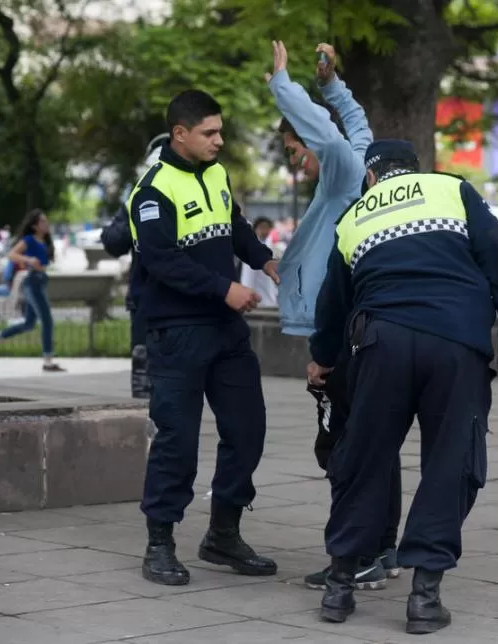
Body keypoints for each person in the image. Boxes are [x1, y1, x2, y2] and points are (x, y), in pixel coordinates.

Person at [307, 139, 498, 634]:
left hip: (380, 342)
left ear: (371, 177)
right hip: (454, 340)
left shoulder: (354, 216)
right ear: (415, 170)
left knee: (364, 457)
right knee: (450, 461)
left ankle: (340, 587)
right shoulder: (451, 190)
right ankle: (424, 598)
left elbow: (333, 304)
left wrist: (322, 361)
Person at [127, 89, 281, 586]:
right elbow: (162, 260)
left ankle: (223, 534)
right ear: (180, 134)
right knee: (178, 440)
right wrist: (224, 289)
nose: (220, 140)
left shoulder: (216, 174)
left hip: (224, 331)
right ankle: (160, 543)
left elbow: (233, 226)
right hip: (178, 331)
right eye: (210, 133)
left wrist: (264, 259)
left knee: (248, 429)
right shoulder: (151, 192)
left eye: (220, 130)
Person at [264, 40, 399, 589]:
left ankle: (355, 553)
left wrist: (284, 84)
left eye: (296, 152)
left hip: (343, 334)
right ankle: (381, 547)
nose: (298, 163)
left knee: (343, 447)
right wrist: (332, 83)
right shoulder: (356, 161)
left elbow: (329, 130)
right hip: (358, 325)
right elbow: (355, 120)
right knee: (371, 441)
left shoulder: (343, 168)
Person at [101, 133, 168, 398]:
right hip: (147, 302)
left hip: (185, 303)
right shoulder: (139, 199)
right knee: (145, 377)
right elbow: (114, 241)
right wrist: (135, 206)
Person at [0, 209, 65, 372]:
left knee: (28, 324)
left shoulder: (45, 242)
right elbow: (11, 254)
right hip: (31, 282)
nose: (46, 224)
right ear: (34, 226)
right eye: (42, 222)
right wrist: (28, 259)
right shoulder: (29, 240)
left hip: (40, 282)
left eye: (46, 221)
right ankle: (48, 361)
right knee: (47, 320)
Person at [238, 217, 280, 307]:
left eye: (266, 228)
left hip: (268, 296)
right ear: (255, 229)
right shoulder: (247, 250)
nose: (264, 231)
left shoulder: (274, 249)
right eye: (261, 227)